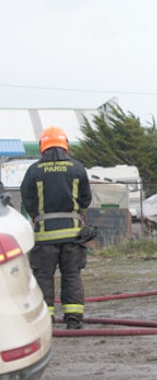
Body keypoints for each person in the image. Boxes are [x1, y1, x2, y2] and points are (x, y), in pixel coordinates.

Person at [20, 126, 93, 329]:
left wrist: (37, 216)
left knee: (43, 277)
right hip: (73, 235)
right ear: (65, 145)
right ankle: (74, 320)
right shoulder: (77, 168)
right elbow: (86, 198)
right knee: (72, 275)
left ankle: (46, 320)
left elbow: (27, 199)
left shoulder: (34, 170)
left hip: (45, 237)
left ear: (42, 145)